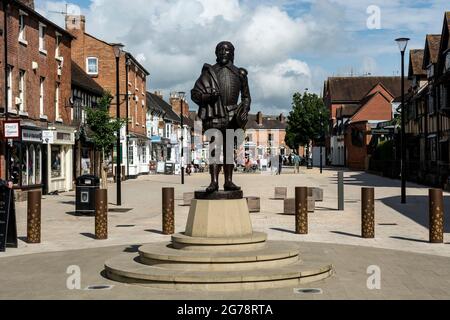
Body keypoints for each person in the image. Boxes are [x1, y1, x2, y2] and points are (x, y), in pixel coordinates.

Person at [191, 41, 251, 193]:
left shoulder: (240, 73)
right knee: (214, 150)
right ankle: (214, 182)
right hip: (214, 115)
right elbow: (195, 94)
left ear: (232, 53)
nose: (224, 52)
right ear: (216, 53)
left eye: (227, 50)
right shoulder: (209, 72)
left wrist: (244, 108)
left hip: (232, 116)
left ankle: (229, 181)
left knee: (229, 149)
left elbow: (246, 97)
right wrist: (206, 96)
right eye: (220, 50)